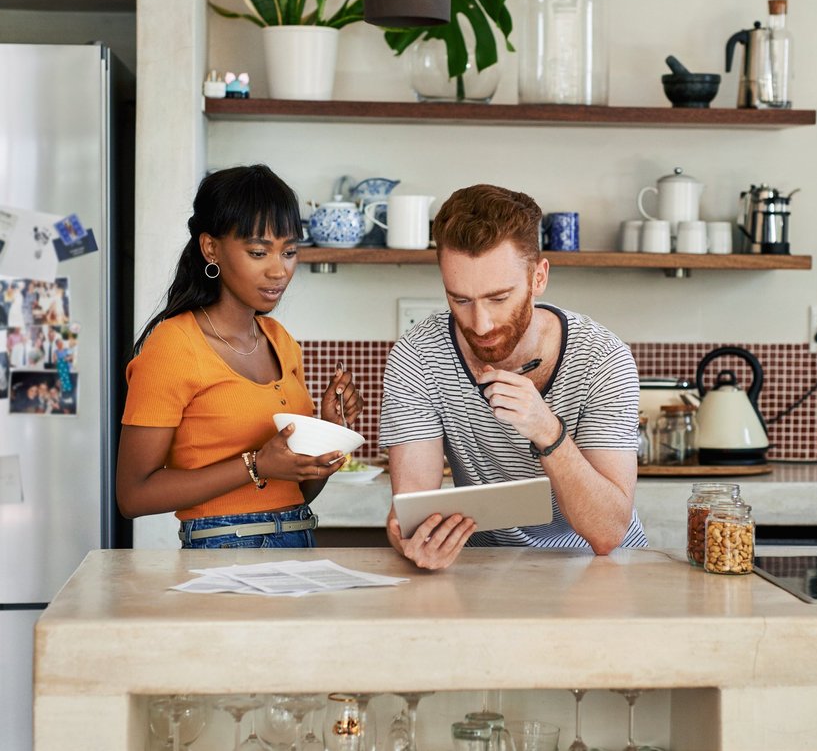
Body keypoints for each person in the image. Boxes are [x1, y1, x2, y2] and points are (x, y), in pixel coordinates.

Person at [380, 184, 647, 569]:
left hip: (600, 566)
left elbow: (608, 532)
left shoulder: (603, 359)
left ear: (538, 278)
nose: (480, 323)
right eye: (460, 299)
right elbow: (409, 511)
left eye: (499, 298)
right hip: (485, 566)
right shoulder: (419, 355)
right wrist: (409, 539)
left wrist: (547, 430)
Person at [117, 164, 363, 548]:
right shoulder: (172, 346)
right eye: (258, 252)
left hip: (298, 541)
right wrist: (255, 464)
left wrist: (328, 433)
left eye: (290, 252)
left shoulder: (281, 342)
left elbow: (297, 493)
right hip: (221, 553)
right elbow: (133, 496)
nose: (278, 270)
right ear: (211, 248)